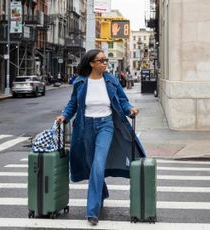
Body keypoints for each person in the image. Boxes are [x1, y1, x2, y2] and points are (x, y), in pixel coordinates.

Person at [56, 49, 146, 225]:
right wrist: (64, 115)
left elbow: (123, 100)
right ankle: (102, 192)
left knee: (98, 164)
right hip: (85, 127)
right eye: (101, 60)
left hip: (106, 125)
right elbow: (73, 103)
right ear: (91, 63)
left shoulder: (111, 81)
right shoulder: (81, 82)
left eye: (106, 60)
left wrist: (130, 109)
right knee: (91, 166)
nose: (105, 63)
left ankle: (92, 211)